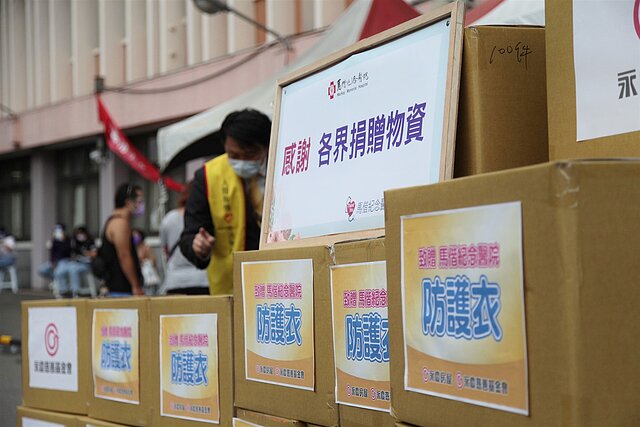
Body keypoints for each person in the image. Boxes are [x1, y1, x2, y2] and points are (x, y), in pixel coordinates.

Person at [180, 109, 271, 295]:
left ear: (267, 146)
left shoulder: (284, 168)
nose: (242, 161)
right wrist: (198, 247)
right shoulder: (208, 176)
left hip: (281, 279)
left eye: (250, 154)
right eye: (233, 155)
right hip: (232, 289)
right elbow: (189, 235)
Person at [159, 182, 209, 295]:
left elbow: (165, 249)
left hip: (175, 280)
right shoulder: (204, 218)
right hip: (201, 279)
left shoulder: (169, 218)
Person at [98, 183, 145, 296]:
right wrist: (135, 286)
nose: (141, 205)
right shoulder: (120, 223)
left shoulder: (116, 222)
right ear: (128, 202)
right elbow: (124, 256)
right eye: (139, 201)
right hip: (121, 290)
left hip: (119, 288)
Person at [53, 226, 96, 297]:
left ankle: (75, 291)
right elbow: (71, 253)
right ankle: (64, 290)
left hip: (86, 265)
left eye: (81, 233)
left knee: (73, 269)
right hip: (76, 263)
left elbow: (94, 254)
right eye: (78, 233)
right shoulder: (75, 242)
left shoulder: (90, 242)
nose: (79, 235)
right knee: (61, 270)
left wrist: (86, 253)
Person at [132, 227, 161, 293]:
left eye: (136, 236)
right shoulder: (133, 249)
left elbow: (153, 261)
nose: (134, 238)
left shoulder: (146, 248)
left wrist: (144, 261)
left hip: (148, 279)